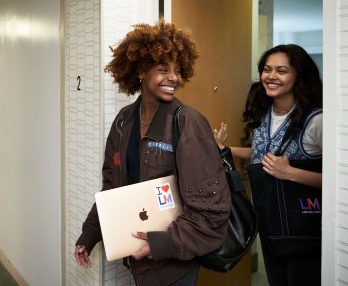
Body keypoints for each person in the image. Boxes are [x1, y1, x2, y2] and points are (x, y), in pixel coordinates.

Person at [74, 20, 232, 286]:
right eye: (163, 69)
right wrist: (90, 234)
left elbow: (212, 211)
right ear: (140, 72)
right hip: (138, 261)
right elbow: (112, 187)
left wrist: (160, 244)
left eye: (178, 70)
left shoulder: (187, 123)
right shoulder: (124, 121)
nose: (174, 78)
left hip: (174, 266)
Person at [214, 44, 323, 286]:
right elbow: (263, 154)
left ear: (299, 75)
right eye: (267, 69)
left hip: (305, 230)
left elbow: (339, 181)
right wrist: (226, 150)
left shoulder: (316, 120)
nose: (271, 76)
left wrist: (290, 173)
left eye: (281, 70)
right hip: (269, 225)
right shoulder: (265, 113)